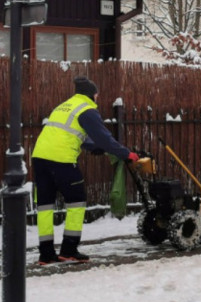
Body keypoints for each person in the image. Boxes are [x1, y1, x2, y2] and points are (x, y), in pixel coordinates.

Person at [31, 76, 139, 265]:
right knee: (76, 202)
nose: (97, 98)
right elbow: (104, 138)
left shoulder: (65, 106)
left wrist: (93, 148)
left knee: (45, 207)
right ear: (91, 94)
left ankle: (46, 254)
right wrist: (126, 154)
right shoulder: (87, 109)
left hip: (39, 158)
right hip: (62, 161)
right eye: (97, 95)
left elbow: (70, 133)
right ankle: (69, 250)